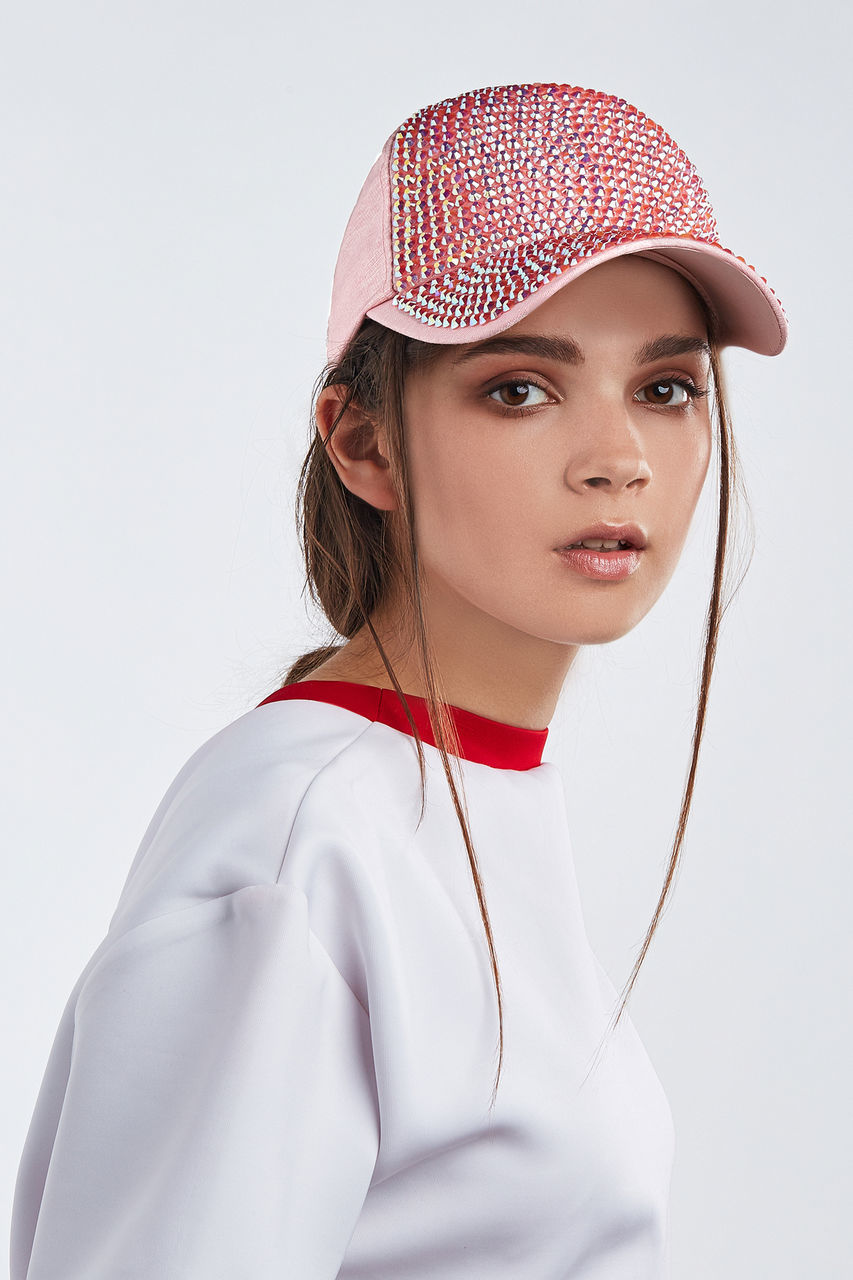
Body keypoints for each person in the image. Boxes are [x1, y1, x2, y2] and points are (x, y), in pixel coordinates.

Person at [10, 82, 786, 1279]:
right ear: (364, 440)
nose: (619, 459)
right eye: (520, 386)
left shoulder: (458, 792)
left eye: (665, 387)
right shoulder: (300, 846)